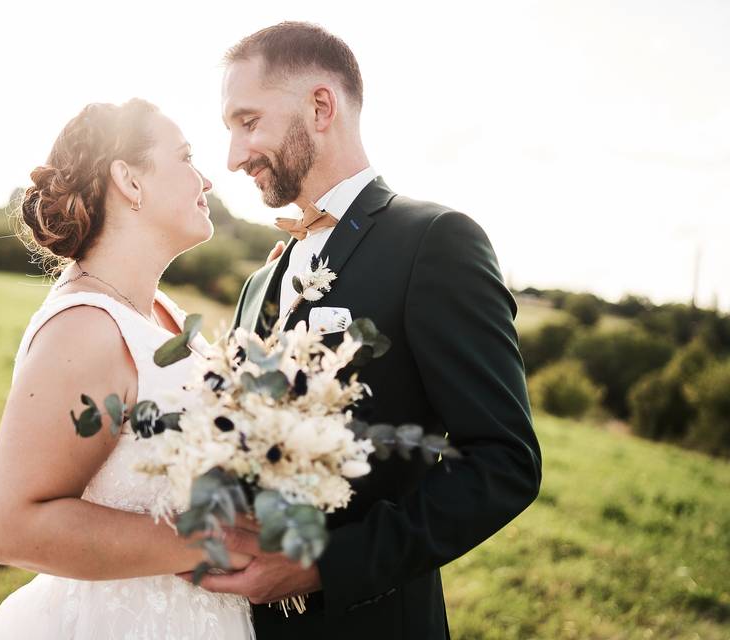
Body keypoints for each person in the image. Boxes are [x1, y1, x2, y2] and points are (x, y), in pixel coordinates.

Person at [190, 22, 543, 639]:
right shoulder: (262, 280)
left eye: (247, 122)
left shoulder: (435, 242)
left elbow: (503, 460)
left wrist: (324, 565)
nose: (234, 156)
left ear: (319, 106)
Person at [0, 98, 257, 639]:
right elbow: (11, 526)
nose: (207, 180)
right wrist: (214, 541)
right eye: (186, 157)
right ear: (128, 179)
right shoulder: (86, 329)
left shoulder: (161, 311)